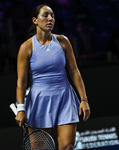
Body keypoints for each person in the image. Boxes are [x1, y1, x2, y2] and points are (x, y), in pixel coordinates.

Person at [15, 4, 90, 150]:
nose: (50, 19)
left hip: (65, 99)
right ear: (35, 20)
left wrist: (84, 99)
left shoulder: (63, 41)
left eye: (52, 16)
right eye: (45, 15)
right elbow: (21, 81)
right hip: (38, 101)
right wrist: (20, 108)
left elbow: (74, 71)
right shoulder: (26, 47)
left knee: (67, 146)